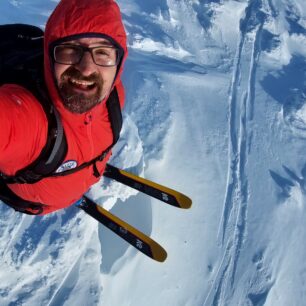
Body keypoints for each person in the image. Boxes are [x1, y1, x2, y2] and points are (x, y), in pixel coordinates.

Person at [0, 0, 128, 215]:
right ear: (50, 58)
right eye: (71, 49)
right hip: (31, 202)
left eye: (103, 52)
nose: (87, 69)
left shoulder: (114, 95)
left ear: (118, 62)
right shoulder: (25, 119)